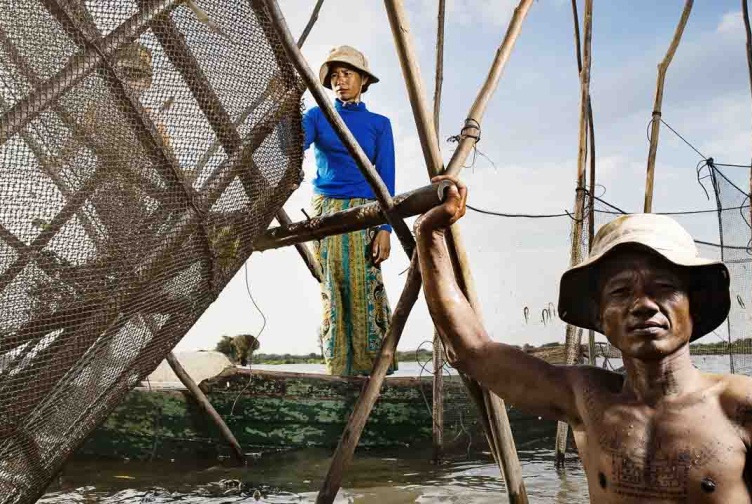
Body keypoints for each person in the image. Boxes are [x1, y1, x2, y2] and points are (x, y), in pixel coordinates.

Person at [415, 176, 752, 502]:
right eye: (621, 291)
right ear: (599, 317)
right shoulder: (587, 398)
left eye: (664, 288)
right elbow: (472, 349)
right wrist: (430, 234)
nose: (644, 306)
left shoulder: (739, 406)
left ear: (694, 307)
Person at [302, 46, 396, 376]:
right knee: (333, 285)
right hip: (325, 211)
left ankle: (373, 371)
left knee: (365, 285)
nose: (340, 81)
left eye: (348, 74)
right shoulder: (317, 116)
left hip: (366, 211)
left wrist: (385, 229)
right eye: (335, 76)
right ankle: (338, 370)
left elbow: (387, 179)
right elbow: (292, 142)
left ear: (363, 80)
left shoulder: (379, 124)